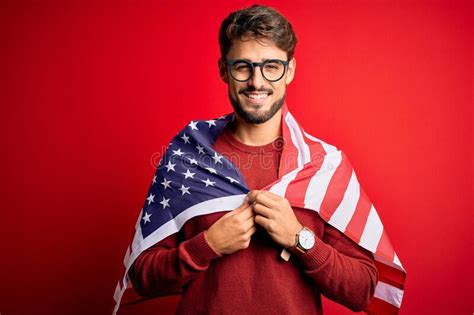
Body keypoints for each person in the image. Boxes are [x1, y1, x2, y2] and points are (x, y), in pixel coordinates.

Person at [127, 4, 378, 314]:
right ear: (223, 69)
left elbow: (363, 289)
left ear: (290, 70)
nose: (257, 81)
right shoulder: (187, 156)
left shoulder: (324, 165)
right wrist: (207, 246)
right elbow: (142, 277)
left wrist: (299, 239)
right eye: (243, 66)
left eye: (271, 66)